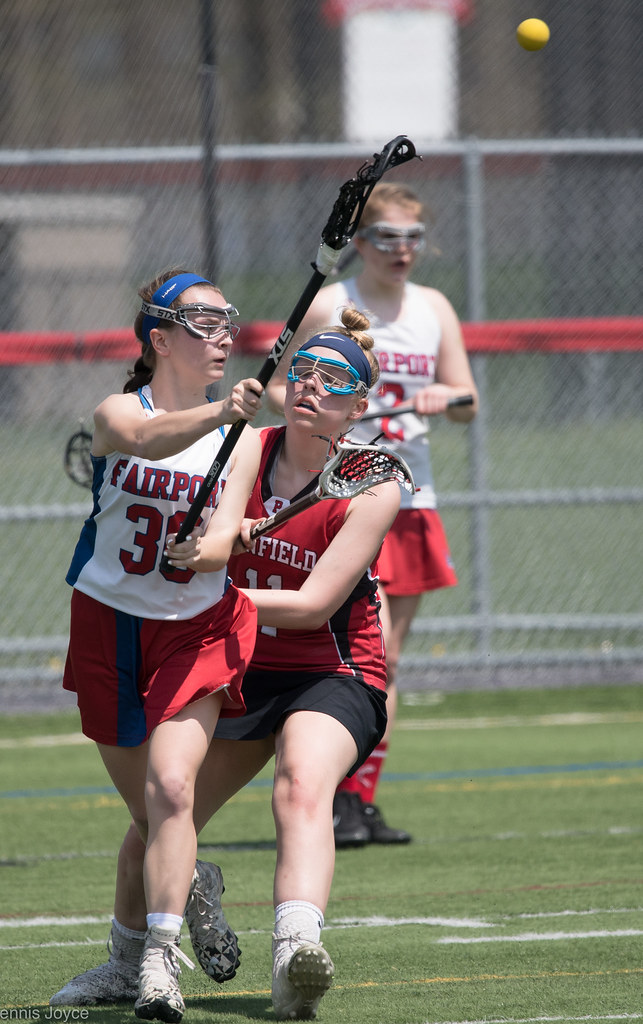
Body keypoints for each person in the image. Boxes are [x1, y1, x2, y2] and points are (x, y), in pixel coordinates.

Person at [50, 307, 402, 1021]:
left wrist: (216, 590)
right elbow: (214, 540)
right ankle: (125, 964)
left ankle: (295, 952)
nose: (309, 387)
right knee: (161, 807)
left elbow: (310, 605)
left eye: (332, 381)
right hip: (239, 665)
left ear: (357, 405)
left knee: (301, 782)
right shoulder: (246, 447)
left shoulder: (372, 480)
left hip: (331, 670)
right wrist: (201, 559)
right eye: (301, 371)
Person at [58, 267, 264, 1023]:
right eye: (204, 324)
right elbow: (142, 437)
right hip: (109, 621)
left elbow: (219, 541)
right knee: (153, 819)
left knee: (174, 791)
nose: (223, 338)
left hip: (196, 628)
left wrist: (205, 552)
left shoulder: (239, 433)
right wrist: (219, 414)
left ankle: (155, 966)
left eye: (227, 324)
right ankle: (181, 895)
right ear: (160, 338)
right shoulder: (119, 412)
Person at [266, 182, 478, 848]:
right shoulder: (333, 302)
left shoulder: (433, 308)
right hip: (335, 495)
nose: (401, 251)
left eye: (412, 238)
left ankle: (354, 799)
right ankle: (321, 793)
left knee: (385, 660)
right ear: (359, 241)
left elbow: (467, 398)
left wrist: (449, 397)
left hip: (407, 501)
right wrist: (321, 412)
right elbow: (278, 384)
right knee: (343, 653)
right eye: (386, 237)